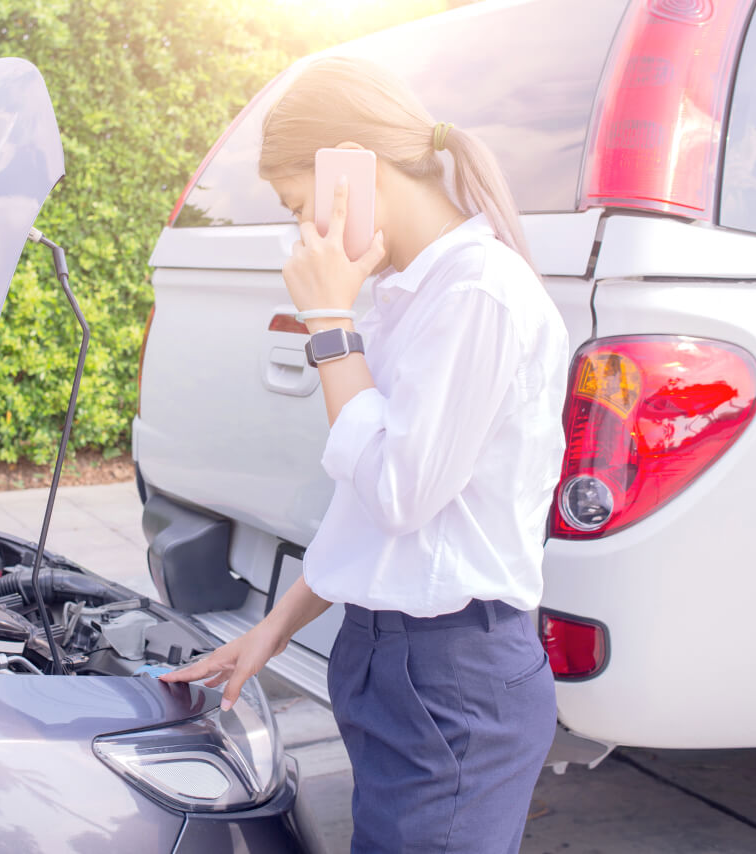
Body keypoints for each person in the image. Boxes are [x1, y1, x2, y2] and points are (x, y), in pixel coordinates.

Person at [160, 55, 569, 854]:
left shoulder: (476, 293)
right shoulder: (406, 295)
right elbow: (372, 519)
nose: (298, 231)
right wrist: (273, 628)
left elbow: (396, 493)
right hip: (397, 667)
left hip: (454, 681)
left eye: (296, 203)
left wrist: (326, 321)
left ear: (350, 169)